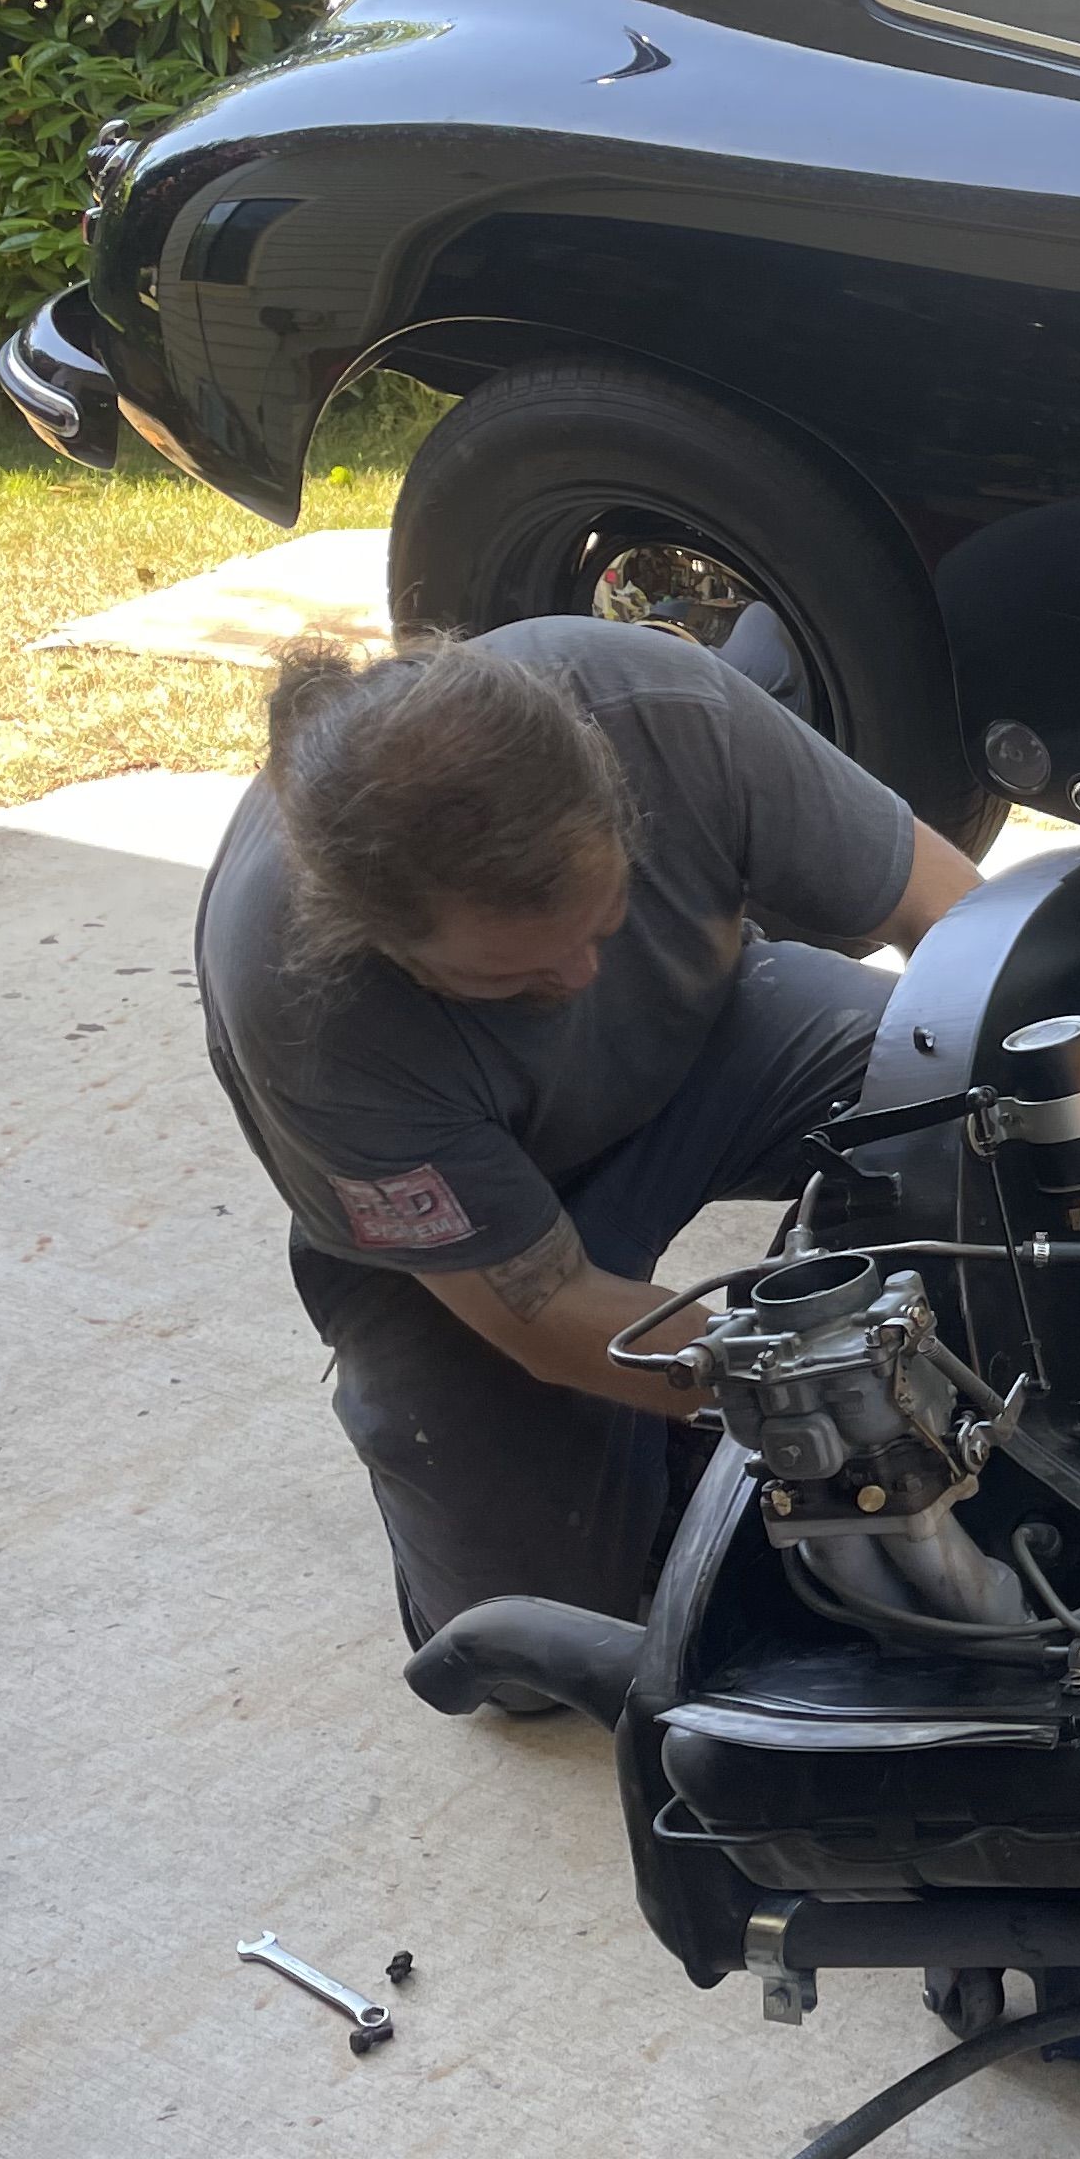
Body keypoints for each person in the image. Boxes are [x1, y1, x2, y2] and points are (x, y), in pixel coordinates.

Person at [198, 618, 982, 1669]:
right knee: (546, 1634)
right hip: (478, 1227)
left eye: (605, 921)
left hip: (714, 1039)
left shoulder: (664, 713)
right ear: (379, 942)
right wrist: (816, 1387)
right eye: (509, 980)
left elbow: (964, 934)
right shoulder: (306, 1002)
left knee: (975, 1114)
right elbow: (545, 1309)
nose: (577, 981)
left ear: (618, 796)